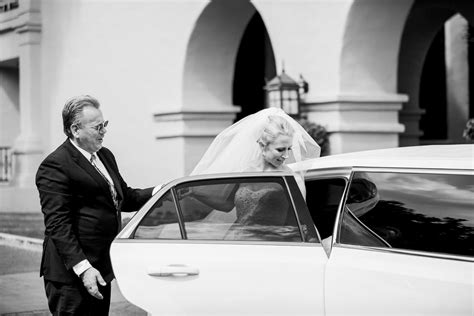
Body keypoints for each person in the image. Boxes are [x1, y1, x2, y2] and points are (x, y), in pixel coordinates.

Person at [35, 95, 156, 315]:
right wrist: (83, 269)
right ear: (75, 130)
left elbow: (124, 197)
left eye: (105, 125)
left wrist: (160, 191)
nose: (104, 131)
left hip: (100, 268)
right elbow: (57, 224)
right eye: (98, 127)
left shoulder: (105, 155)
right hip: (73, 274)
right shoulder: (55, 165)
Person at [188, 108, 320, 236]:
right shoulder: (246, 172)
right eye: (280, 150)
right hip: (241, 240)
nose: (286, 155)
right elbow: (227, 205)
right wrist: (193, 192)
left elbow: (302, 221)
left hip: (273, 244)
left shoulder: (291, 178)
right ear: (263, 145)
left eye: (289, 149)